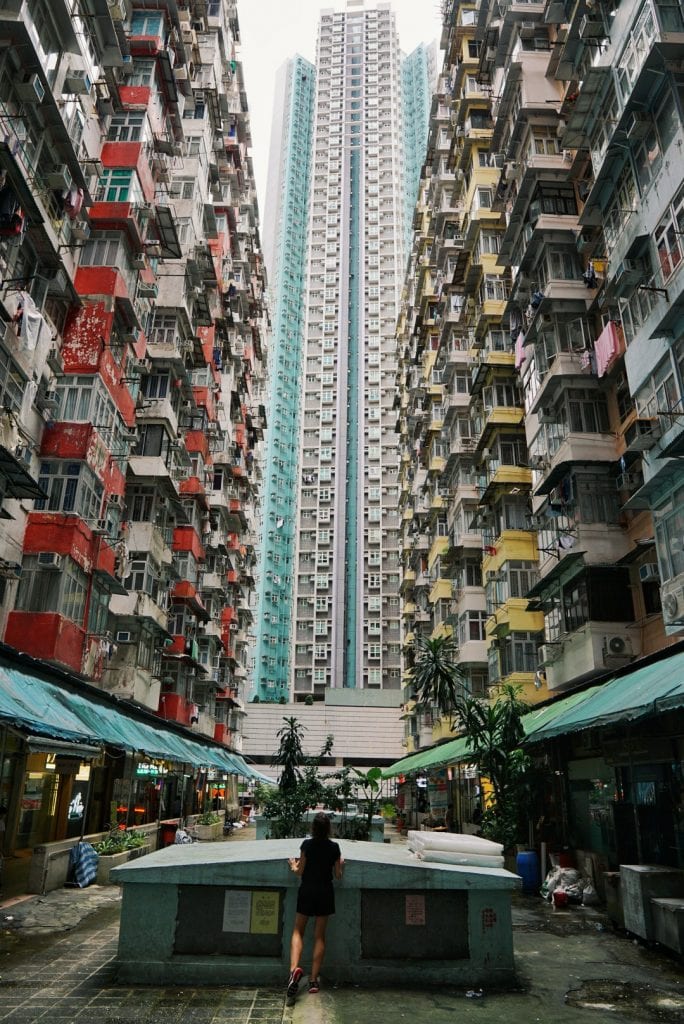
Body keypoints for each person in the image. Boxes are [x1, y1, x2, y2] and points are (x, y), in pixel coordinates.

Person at [286, 812, 343, 998]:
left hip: (307, 891)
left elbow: (300, 871)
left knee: (298, 931)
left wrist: (293, 865)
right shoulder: (334, 847)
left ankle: (293, 971)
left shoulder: (307, 845)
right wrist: (340, 864)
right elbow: (338, 875)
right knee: (319, 936)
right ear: (328, 829)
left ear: (313, 828)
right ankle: (313, 980)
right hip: (325, 892)